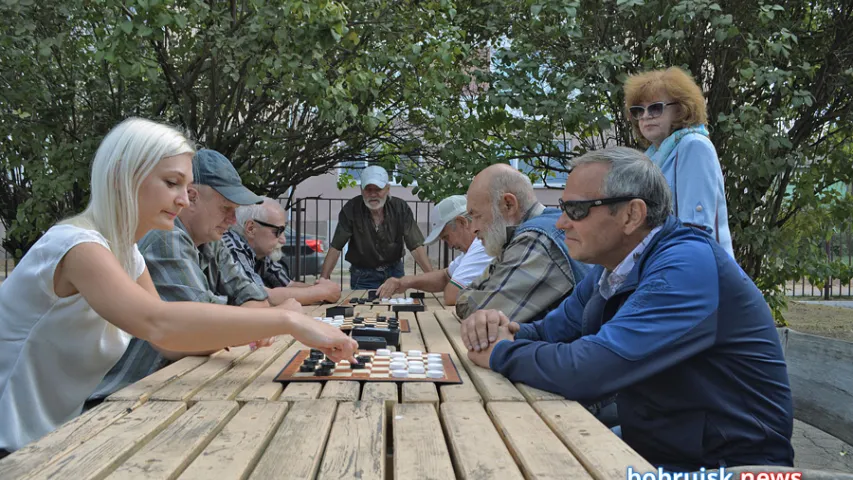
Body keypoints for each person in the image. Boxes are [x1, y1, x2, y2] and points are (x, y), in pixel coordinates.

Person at [0, 119, 357, 455]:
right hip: (14, 449)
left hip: (57, 441)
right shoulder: (77, 246)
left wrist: (267, 323)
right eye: (172, 184)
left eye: (186, 188)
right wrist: (288, 322)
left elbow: (168, 342)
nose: (185, 200)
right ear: (123, 174)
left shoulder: (126, 255)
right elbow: (159, 322)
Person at [461, 147, 793, 471]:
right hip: (662, 444)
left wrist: (499, 352)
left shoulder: (685, 268)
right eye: (563, 208)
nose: (561, 223)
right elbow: (549, 332)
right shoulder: (615, 268)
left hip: (725, 464)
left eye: (576, 210)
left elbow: (589, 372)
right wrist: (500, 328)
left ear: (632, 215)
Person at [456, 164, 589, 324]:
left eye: (476, 215)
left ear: (508, 205)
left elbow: (478, 313)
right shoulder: (534, 229)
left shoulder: (535, 240)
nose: (473, 229)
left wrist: (472, 296)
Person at [624, 66, 734, 257]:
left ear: (681, 109)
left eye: (655, 108)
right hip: (666, 263)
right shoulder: (652, 157)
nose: (646, 116)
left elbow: (695, 227)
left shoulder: (694, 146)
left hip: (692, 266)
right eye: (638, 110)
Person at [320, 165, 433, 289]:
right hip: (363, 276)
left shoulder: (400, 208)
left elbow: (416, 246)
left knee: (398, 307)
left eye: (378, 189)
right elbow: (336, 247)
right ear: (361, 190)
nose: (373, 194)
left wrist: (433, 278)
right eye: (368, 189)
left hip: (395, 273)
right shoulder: (351, 209)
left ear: (387, 189)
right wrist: (323, 281)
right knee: (362, 308)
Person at [223, 197, 342, 305]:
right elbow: (260, 296)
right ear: (251, 228)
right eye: (278, 231)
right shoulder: (231, 248)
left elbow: (288, 285)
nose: (283, 240)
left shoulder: (260, 252)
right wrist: (321, 292)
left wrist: (323, 290)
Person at [376, 195, 492, 305]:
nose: (450, 246)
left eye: (446, 237)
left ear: (462, 222)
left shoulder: (481, 245)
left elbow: (452, 295)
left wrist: (451, 284)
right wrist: (403, 282)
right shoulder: (472, 248)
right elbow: (445, 276)